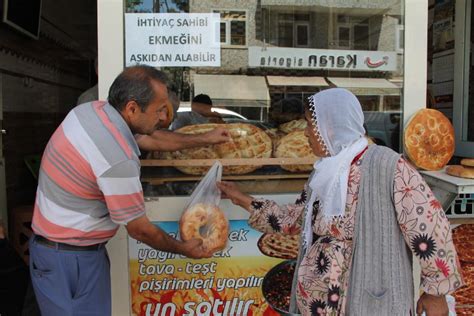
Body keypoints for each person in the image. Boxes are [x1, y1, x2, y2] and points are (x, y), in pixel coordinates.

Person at [217, 88, 464, 316]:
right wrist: (243, 199)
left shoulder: (387, 166)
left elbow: (429, 226)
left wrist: (435, 293)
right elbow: (296, 218)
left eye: (311, 124)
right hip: (321, 304)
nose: (305, 132)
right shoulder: (324, 172)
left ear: (331, 127)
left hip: (370, 301)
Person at [29, 65, 214, 316]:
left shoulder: (94, 112)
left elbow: (152, 139)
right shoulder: (117, 157)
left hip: (60, 251)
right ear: (132, 108)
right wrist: (183, 249)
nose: (164, 117)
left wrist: (206, 138)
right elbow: (140, 229)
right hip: (70, 262)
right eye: (159, 109)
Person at [136, 91, 230, 153]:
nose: (164, 117)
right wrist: (206, 138)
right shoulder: (139, 133)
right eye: (164, 111)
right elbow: (154, 139)